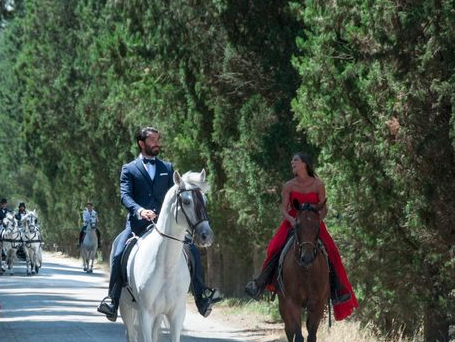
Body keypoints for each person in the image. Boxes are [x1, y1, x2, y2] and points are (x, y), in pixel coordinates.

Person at [97, 126, 222, 321]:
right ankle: (112, 301)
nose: (157, 143)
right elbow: (125, 196)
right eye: (153, 140)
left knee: (193, 251)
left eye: (158, 139)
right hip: (137, 225)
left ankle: (201, 297)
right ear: (142, 143)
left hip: (165, 225)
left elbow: (176, 195)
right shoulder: (129, 169)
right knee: (119, 251)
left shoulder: (168, 168)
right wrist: (139, 210)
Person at [244, 152, 358, 321]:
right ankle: (260, 283)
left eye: (295, 160)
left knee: (331, 251)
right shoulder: (289, 185)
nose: (292, 163)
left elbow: (323, 207)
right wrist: (291, 219)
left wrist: (318, 218)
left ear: (304, 163)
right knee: (275, 248)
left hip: (312, 224)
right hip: (293, 223)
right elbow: (284, 208)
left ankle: (337, 291)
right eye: (292, 161)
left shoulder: (318, 184)